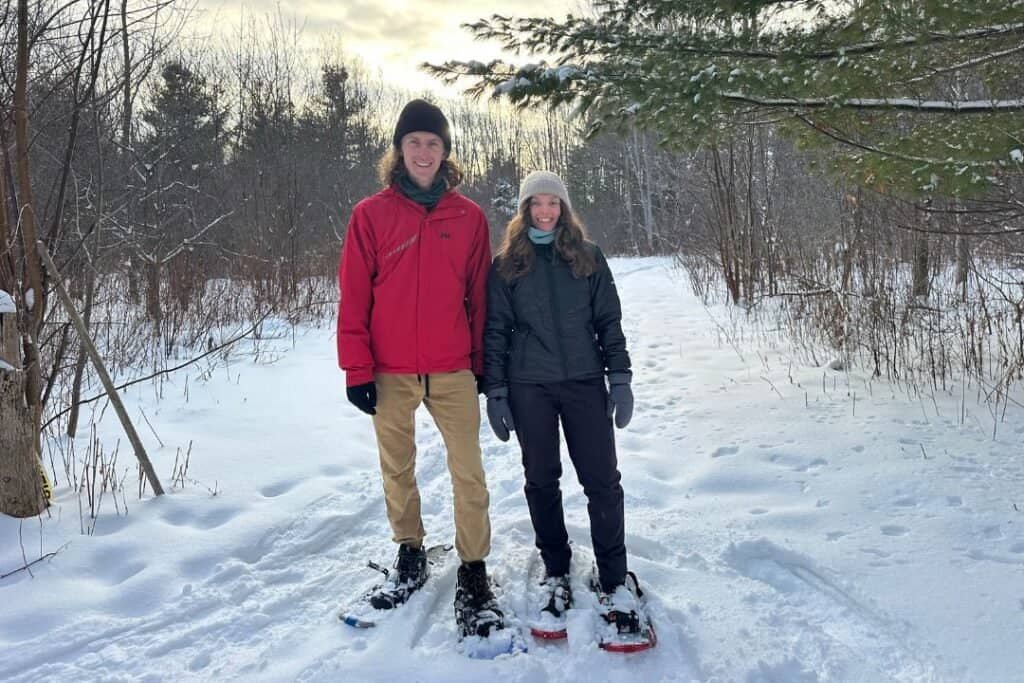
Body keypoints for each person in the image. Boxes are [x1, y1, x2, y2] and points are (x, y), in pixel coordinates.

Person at [337, 99, 503, 638]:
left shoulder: (469, 217)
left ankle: (474, 569)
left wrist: (482, 364)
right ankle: (409, 551)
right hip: (389, 370)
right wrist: (356, 368)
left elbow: (479, 298)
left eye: (433, 143)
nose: (424, 151)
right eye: (415, 142)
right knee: (397, 468)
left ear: (446, 151)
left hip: (453, 367)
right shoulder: (371, 214)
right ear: (399, 149)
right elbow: (354, 296)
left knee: (468, 472)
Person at [483, 170, 643, 636]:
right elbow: (495, 331)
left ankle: (614, 578)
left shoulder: (588, 258)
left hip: (585, 383)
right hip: (529, 386)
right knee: (541, 479)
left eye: (554, 203)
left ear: (565, 208)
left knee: (602, 482)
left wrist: (622, 377)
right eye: (537, 203)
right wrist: (496, 391)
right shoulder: (508, 265)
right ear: (525, 209)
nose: (546, 211)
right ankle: (556, 569)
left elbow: (609, 322)